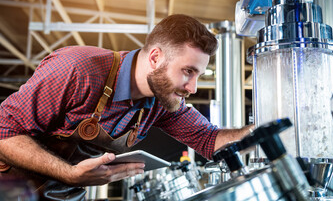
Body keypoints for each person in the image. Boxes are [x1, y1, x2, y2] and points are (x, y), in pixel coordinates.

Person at [0, 14, 253, 199]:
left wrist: (268, 126)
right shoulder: (78, 68)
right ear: (155, 57)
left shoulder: (161, 101)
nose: (193, 88)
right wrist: (67, 172)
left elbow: (210, 141)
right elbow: (4, 132)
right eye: (188, 71)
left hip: (65, 196)